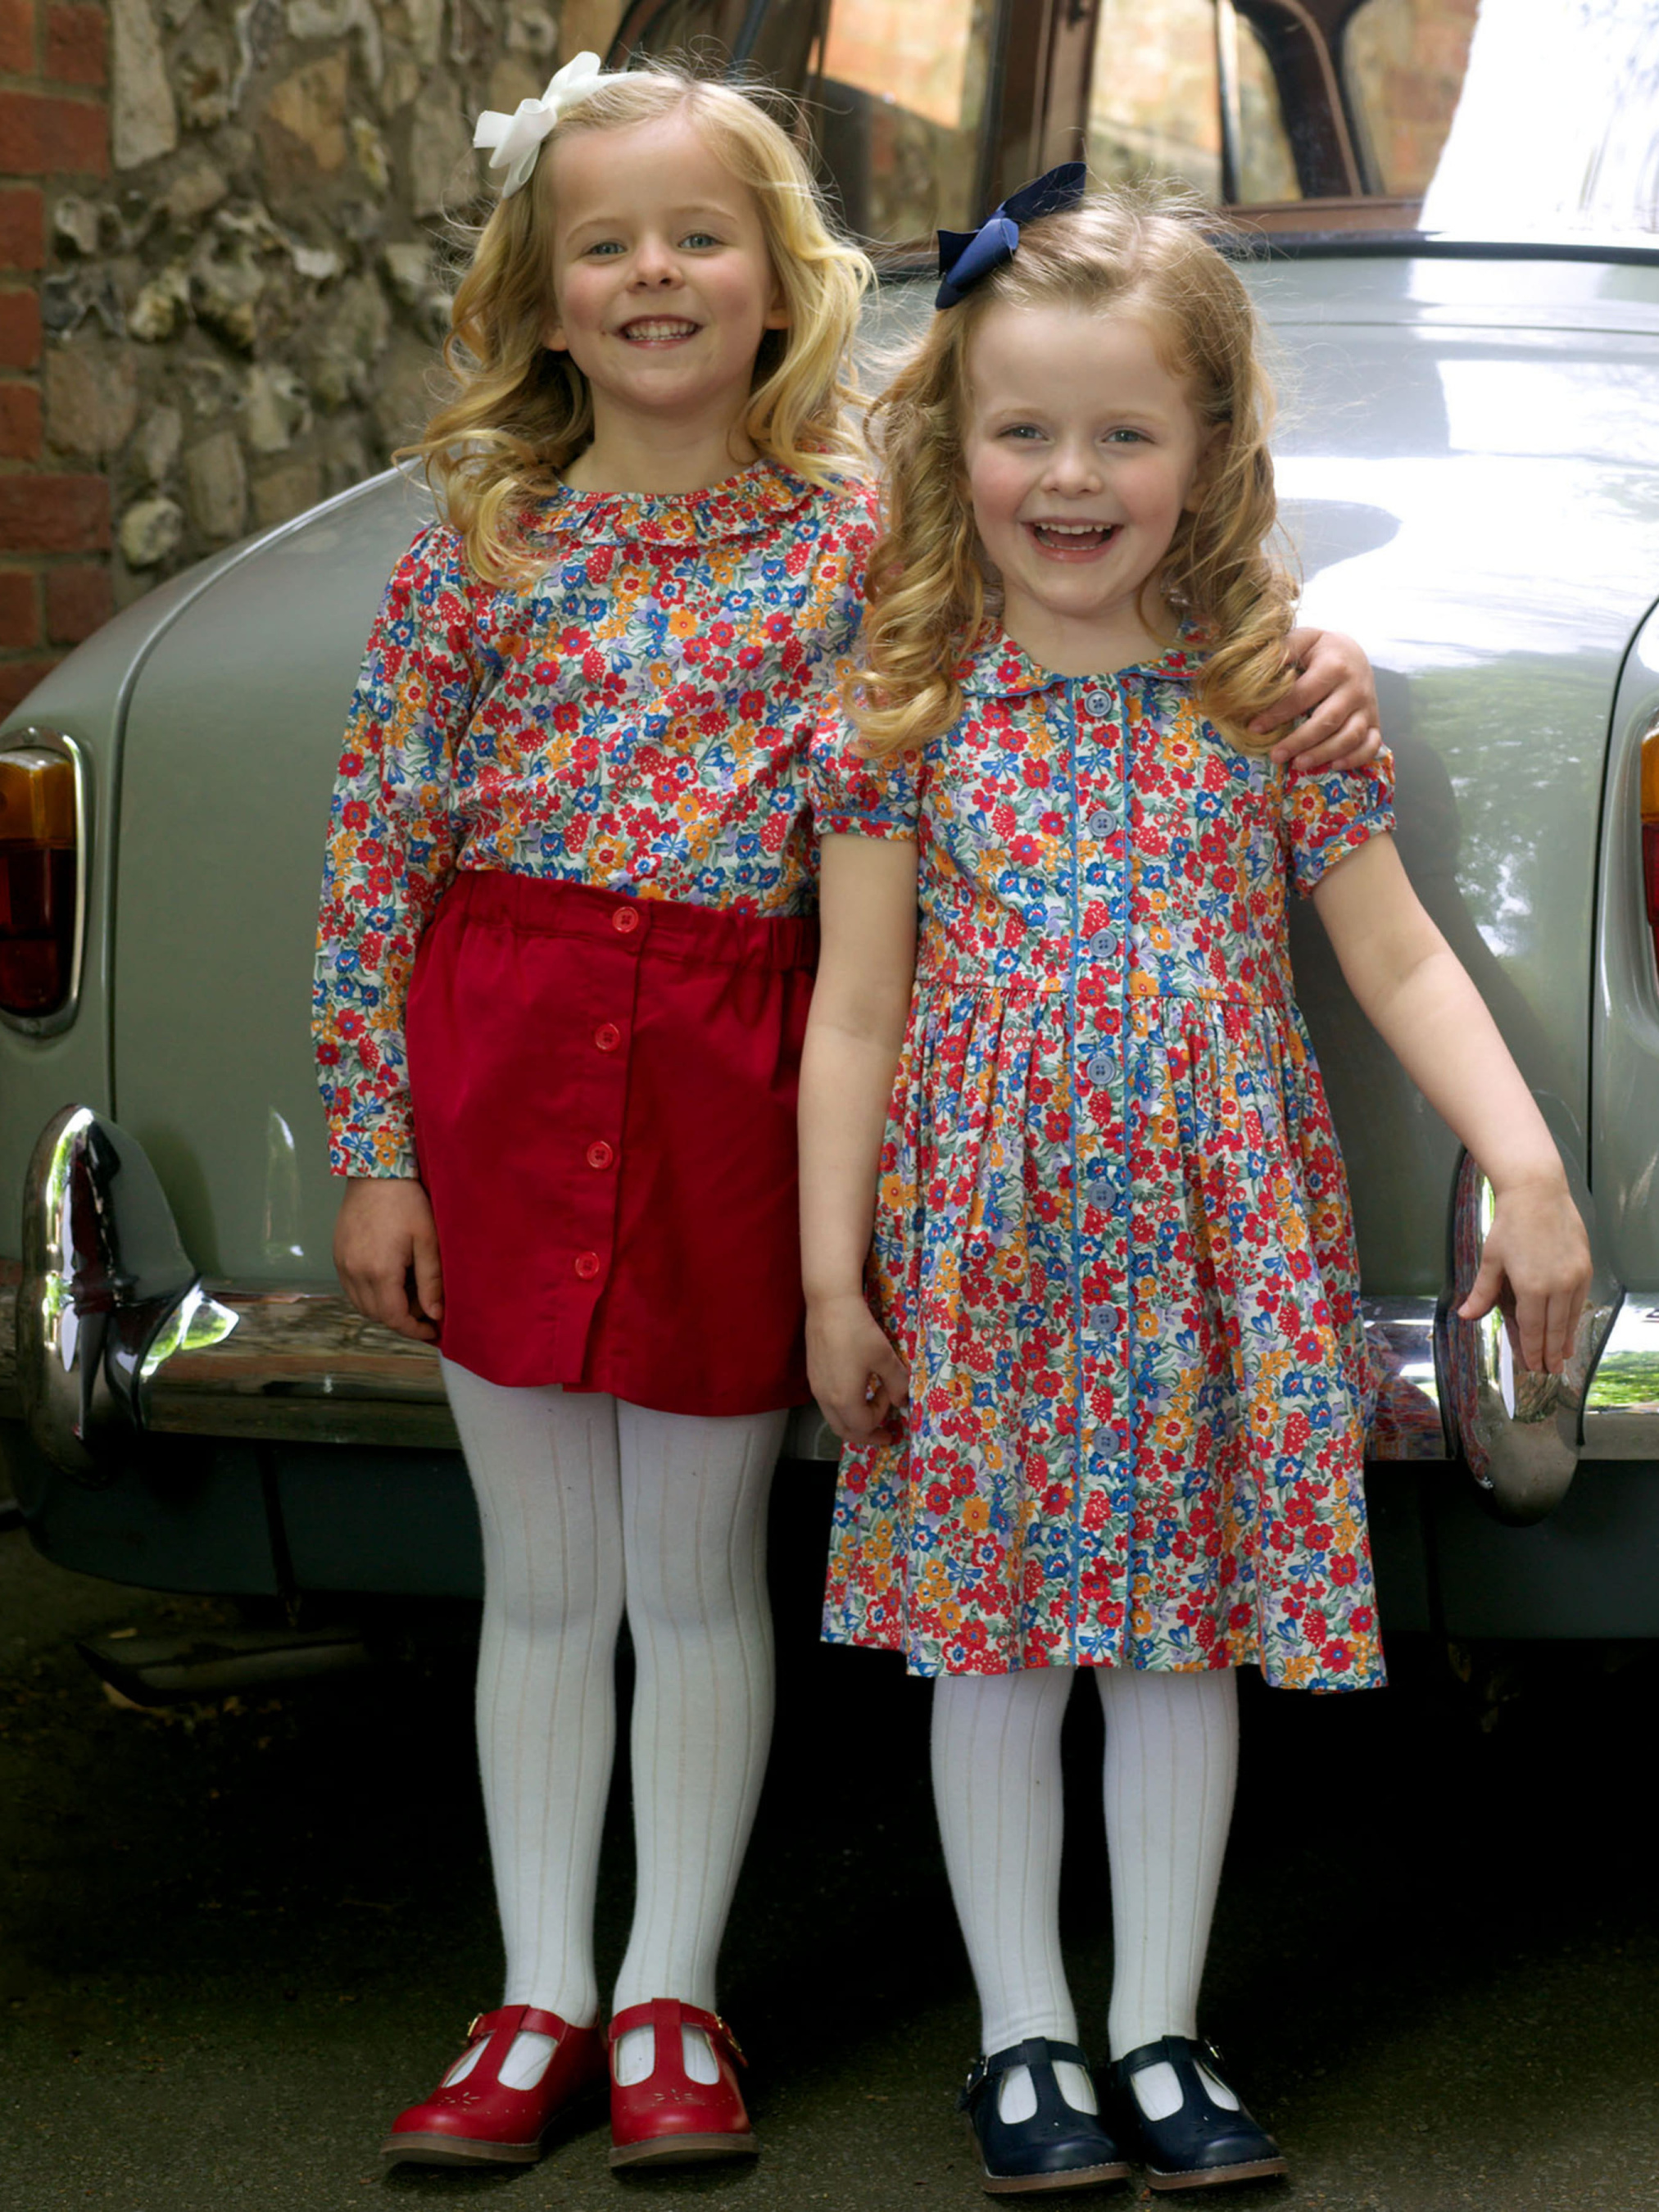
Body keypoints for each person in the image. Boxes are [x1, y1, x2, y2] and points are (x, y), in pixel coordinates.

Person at [312, 61, 1380, 2172]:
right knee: (543, 1576)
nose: (653, 276)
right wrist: (372, 1142)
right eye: (604, 243)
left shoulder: (864, 541)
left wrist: (1304, 659)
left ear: (781, 280)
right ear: (539, 292)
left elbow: (1090, 548)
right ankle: (536, 1994)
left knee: (698, 1567)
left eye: (698, 235)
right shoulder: (472, 558)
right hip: (511, 1059)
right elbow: (374, 856)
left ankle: (669, 1997)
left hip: (732, 1066)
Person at [799, 170, 1591, 2197]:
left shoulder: (1267, 691)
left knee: (1176, 1641)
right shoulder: (901, 703)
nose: (1068, 478)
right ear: (954, 440)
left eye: (1121, 433)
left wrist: (1524, 1167)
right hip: (981, 1253)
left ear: (1208, 447)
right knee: (989, 1648)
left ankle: (1156, 2026)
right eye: (1022, 430)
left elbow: (1394, 956)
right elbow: (855, 1010)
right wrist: (829, 1281)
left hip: (1201, 1247)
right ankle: (1020, 2037)